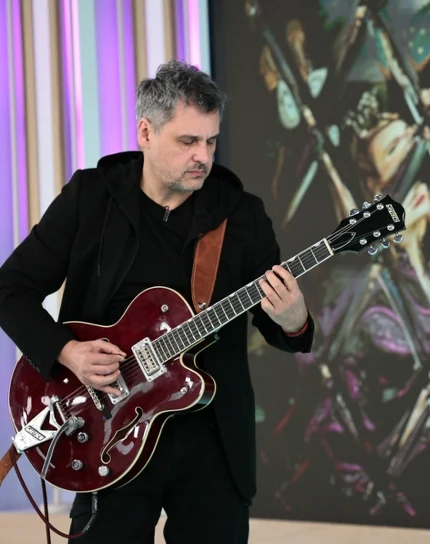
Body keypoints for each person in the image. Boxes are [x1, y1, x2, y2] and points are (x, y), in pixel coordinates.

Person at [0, 59, 314, 543]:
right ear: (145, 132)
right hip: (107, 430)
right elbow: (10, 289)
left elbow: (282, 330)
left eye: (211, 141)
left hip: (211, 443)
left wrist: (294, 320)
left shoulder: (240, 215)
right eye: (188, 141)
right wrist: (67, 351)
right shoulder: (91, 197)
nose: (203, 157)